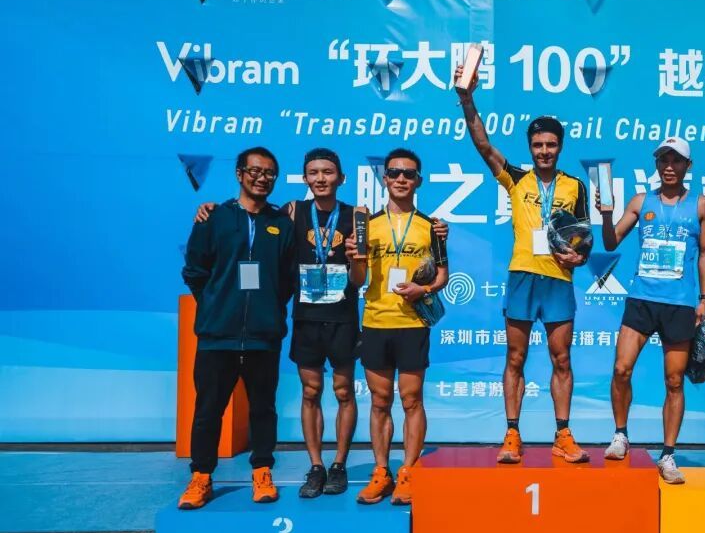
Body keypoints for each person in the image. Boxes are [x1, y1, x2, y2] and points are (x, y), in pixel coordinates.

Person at [193, 149, 449, 500]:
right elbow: (254, 220)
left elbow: (364, 277)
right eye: (313, 172)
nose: (321, 178)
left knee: (352, 393)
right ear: (305, 178)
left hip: (349, 318)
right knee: (313, 392)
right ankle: (318, 466)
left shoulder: (359, 217)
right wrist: (212, 207)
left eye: (328, 172)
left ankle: (345, 465)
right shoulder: (291, 213)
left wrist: (413, 273)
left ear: (341, 178)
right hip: (310, 318)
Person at [454, 63, 591, 464]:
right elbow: (483, 146)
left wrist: (579, 257)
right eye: (537, 145)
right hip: (522, 277)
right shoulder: (516, 178)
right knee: (515, 358)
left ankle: (562, 434)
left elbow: (583, 238)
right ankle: (512, 433)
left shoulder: (575, 186)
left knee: (561, 358)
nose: (544, 151)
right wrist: (467, 99)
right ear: (530, 148)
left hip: (558, 279)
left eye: (551, 145)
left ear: (560, 147)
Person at [178, 146, 295, 509]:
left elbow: (287, 279)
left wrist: (267, 309)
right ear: (240, 174)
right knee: (208, 410)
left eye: (269, 173)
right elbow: (195, 271)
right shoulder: (213, 218)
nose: (262, 178)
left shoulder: (282, 224)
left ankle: (262, 471)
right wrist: (217, 304)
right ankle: (201, 477)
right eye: (255, 171)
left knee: (263, 409)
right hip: (217, 336)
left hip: (263, 336)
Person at [597, 137, 705, 484]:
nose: (669, 167)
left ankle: (668, 454)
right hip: (642, 300)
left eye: (676, 161)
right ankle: (620, 434)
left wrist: (704, 299)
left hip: (679, 303)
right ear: (657, 164)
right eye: (663, 160)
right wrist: (606, 215)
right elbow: (611, 242)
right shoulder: (641, 201)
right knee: (621, 369)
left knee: (674, 381)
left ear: (688, 166)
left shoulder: (700, 205)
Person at [348, 148, 449, 505]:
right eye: (394, 173)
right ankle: (381, 471)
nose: (401, 179)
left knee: (411, 400)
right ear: (385, 178)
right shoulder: (367, 225)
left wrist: (424, 289)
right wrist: (355, 258)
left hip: (412, 323)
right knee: (380, 401)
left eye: (409, 173)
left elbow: (442, 276)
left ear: (418, 180)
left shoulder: (432, 227)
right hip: (376, 321)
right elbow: (357, 280)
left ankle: (408, 471)